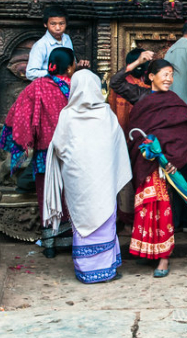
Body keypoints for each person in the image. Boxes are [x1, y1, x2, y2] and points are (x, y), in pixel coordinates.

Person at [43, 69, 132, 284]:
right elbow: (117, 146)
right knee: (105, 220)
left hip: (78, 180)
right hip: (103, 180)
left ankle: (86, 270)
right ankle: (106, 269)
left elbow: (59, 147)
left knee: (83, 221)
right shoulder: (107, 115)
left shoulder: (67, 115)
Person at [0, 46, 76, 258]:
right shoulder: (77, 87)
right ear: (70, 67)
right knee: (72, 195)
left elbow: (20, 114)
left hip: (45, 154)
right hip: (74, 153)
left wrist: (25, 141)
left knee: (47, 196)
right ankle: (72, 241)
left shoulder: (37, 86)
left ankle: (49, 244)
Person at [126, 58, 187, 278]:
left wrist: (168, 156)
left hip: (166, 166)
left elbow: (184, 132)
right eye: (164, 74)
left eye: (171, 74)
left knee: (164, 209)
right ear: (151, 76)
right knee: (146, 207)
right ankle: (149, 251)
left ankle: (164, 258)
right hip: (145, 163)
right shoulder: (142, 99)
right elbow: (135, 131)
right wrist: (146, 148)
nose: (169, 79)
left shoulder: (175, 102)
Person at [108, 48, 153, 226]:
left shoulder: (147, 86)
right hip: (124, 137)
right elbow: (116, 111)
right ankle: (127, 220)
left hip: (144, 140)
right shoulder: (125, 85)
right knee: (125, 180)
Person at [25, 5, 89, 80]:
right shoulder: (41, 45)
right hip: (50, 85)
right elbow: (30, 73)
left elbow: (69, 65)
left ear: (66, 24)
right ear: (45, 24)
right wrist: (54, 73)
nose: (58, 28)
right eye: (53, 24)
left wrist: (78, 66)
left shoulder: (67, 39)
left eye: (61, 24)